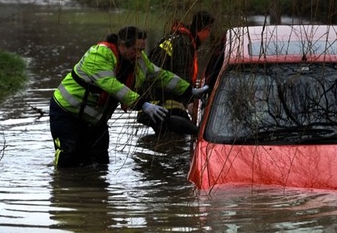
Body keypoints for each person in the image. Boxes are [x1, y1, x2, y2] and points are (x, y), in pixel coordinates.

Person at [49, 26, 210, 168]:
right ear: (122, 46)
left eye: (142, 50)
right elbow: (111, 85)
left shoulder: (138, 60)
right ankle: (63, 190)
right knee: (68, 156)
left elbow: (160, 76)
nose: (139, 54)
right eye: (136, 49)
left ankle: (96, 195)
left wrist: (189, 91)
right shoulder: (100, 54)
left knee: (100, 162)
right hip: (67, 113)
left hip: (94, 121)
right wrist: (143, 104)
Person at [136, 11, 215, 135]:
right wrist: (190, 101)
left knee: (170, 137)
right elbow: (182, 73)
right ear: (206, 29)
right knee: (187, 133)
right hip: (164, 102)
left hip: (152, 99)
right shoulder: (184, 43)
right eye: (209, 31)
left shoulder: (175, 37)